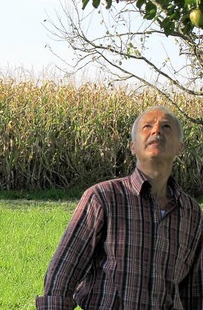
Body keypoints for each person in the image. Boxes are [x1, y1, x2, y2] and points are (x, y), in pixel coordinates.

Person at [36, 106, 203, 309]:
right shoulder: (103, 198)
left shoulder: (192, 213)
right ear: (133, 146)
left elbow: (194, 290)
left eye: (166, 127)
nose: (156, 131)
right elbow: (63, 273)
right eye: (147, 126)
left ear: (180, 148)